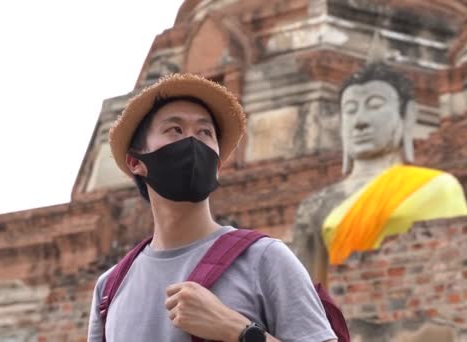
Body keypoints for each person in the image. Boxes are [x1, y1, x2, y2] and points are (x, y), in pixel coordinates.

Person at [87, 73, 337, 342]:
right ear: (136, 162)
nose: (193, 143)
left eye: (205, 133)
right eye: (175, 130)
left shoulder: (264, 259)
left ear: (217, 165)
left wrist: (240, 331)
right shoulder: (109, 288)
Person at [293, 63, 467, 283]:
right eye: (350, 110)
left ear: (408, 114)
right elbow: (304, 294)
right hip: (340, 313)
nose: (360, 122)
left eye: (374, 105)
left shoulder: (438, 187)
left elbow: (458, 267)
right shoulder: (317, 205)